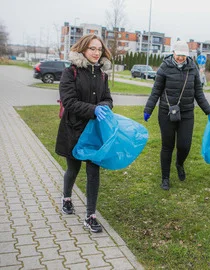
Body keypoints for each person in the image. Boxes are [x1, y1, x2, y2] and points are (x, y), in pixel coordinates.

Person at [55, 34, 113, 233]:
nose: (96, 53)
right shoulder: (70, 72)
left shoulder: (102, 74)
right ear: (83, 50)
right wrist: (93, 109)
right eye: (92, 49)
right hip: (74, 129)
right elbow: (68, 101)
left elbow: (107, 98)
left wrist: (104, 106)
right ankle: (66, 197)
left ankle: (90, 216)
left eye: (99, 49)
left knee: (93, 172)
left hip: (94, 131)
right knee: (73, 169)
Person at [144, 40, 210, 190]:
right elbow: (156, 91)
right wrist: (148, 110)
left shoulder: (192, 68)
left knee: (184, 145)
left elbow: (199, 93)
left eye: (184, 55)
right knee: (167, 146)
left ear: (187, 55)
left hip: (187, 113)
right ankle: (165, 178)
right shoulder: (164, 67)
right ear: (173, 53)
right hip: (166, 112)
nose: (181, 58)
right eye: (178, 55)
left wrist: (209, 111)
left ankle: (180, 163)